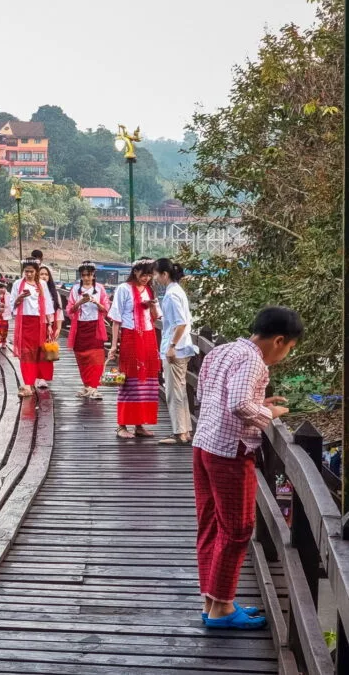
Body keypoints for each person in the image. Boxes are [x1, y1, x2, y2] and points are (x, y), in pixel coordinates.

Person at [193, 306, 303, 630]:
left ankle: (212, 600)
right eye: (289, 349)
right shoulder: (254, 359)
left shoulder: (225, 350)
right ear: (280, 340)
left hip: (204, 443)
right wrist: (270, 414)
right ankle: (223, 609)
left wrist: (260, 404)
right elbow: (239, 404)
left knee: (211, 525)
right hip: (229, 452)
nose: (284, 356)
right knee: (238, 529)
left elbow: (209, 393)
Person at [108, 258, 161, 439]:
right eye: (142, 273)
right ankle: (122, 425)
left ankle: (140, 424)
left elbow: (155, 317)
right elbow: (116, 319)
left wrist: (152, 306)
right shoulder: (124, 289)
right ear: (135, 271)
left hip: (148, 337)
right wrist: (114, 345)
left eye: (149, 274)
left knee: (146, 381)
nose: (145, 278)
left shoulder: (149, 290)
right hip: (130, 336)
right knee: (129, 380)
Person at [155, 258, 199, 445]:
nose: (155, 278)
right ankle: (185, 430)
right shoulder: (177, 291)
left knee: (173, 391)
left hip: (176, 349)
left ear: (165, 274)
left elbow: (181, 323)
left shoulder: (172, 295)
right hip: (182, 347)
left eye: (157, 274)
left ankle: (179, 432)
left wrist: (171, 346)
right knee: (179, 390)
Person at [9, 259, 58, 397]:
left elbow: (48, 304)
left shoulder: (41, 284)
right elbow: (12, 304)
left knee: (39, 352)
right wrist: (20, 297)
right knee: (26, 353)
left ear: (36, 271)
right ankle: (28, 383)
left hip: (40, 322)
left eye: (31, 271)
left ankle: (37, 379)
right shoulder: (18, 284)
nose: (29, 274)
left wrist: (49, 324)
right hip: (24, 321)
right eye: (26, 271)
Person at [66, 260, 110, 400]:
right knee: (82, 357)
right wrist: (80, 302)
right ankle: (87, 385)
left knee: (96, 358)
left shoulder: (100, 289)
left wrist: (96, 302)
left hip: (95, 326)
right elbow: (70, 310)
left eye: (89, 275)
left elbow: (106, 309)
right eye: (84, 275)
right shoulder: (75, 289)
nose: (86, 278)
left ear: (93, 275)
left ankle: (94, 386)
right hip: (80, 327)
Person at [36, 266, 64, 389]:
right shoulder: (34, 289)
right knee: (35, 350)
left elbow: (59, 311)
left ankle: (43, 377)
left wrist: (58, 327)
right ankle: (34, 376)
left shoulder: (54, 293)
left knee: (47, 351)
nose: (44, 276)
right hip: (36, 323)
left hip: (50, 324)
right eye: (41, 274)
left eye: (46, 274)